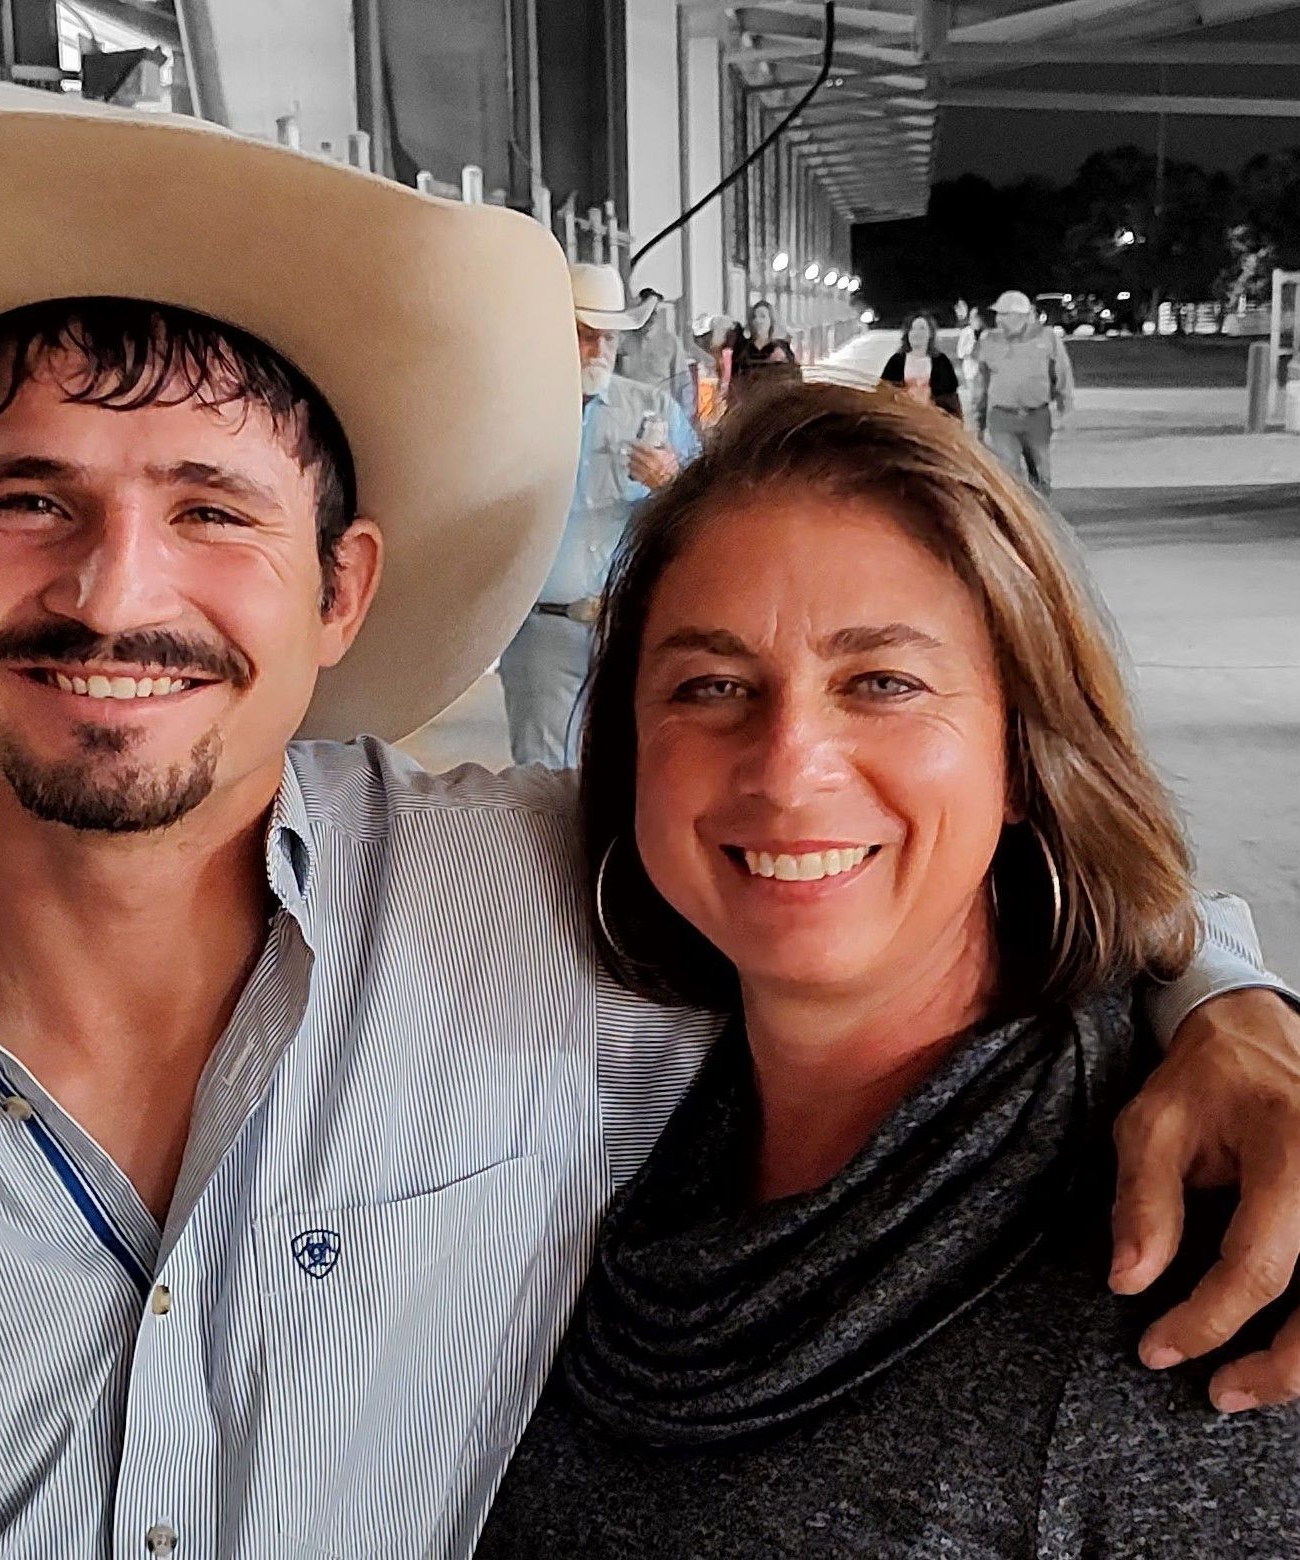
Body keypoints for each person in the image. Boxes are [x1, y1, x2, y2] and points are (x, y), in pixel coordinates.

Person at [0, 108, 1299, 1560]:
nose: (112, 592)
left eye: (212, 511)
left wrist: (1222, 1002)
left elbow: (889, 879)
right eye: (27, 500)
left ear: (339, 591)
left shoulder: (535, 905)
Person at [479, 381, 1300, 1554]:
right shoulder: (617, 1118)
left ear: (1023, 756)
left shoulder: (1195, 1281)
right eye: (710, 687)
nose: (786, 766)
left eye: (881, 683)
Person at [498, 263, 697, 768]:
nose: (599, 350)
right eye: (586, 336)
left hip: (626, 629)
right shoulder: (518, 411)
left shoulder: (652, 409)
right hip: (542, 631)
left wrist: (672, 483)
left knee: (632, 775)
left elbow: (707, 516)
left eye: (608, 338)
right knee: (542, 780)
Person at [975, 288, 1075, 495]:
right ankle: (1016, 522)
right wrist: (979, 420)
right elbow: (981, 383)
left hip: (1037, 417)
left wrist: (1065, 409)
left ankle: (1041, 517)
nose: (999, 320)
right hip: (1001, 417)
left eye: (1005, 315)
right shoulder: (988, 341)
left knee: (1041, 474)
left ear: (1022, 317)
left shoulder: (1047, 338)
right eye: (998, 315)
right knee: (1008, 475)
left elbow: (1062, 374)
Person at [615, 286, 698, 410]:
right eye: (647, 313)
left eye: (654, 313)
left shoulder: (670, 343)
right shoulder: (622, 341)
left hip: (660, 415)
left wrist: (683, 420)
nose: (650, 318)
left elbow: (683, 386)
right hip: (628, 413)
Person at [880, 312, 962, 417]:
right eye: (912, 329)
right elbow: (884, 393)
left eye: (922, 328)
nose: (917, 333)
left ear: (930, 334)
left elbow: (950, 398)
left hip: (934, 422)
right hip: (902, 421)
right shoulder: (896, 361)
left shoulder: (941, 362)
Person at [730, 298, 798, 390]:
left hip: (773, 398)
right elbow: (734, 377)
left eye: (763, 316)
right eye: (754, 317)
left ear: (771, 321)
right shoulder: (742, 347)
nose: (758, 320)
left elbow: (793, 378)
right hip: (747, 399)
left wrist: (781, 363)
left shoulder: (782, 348)